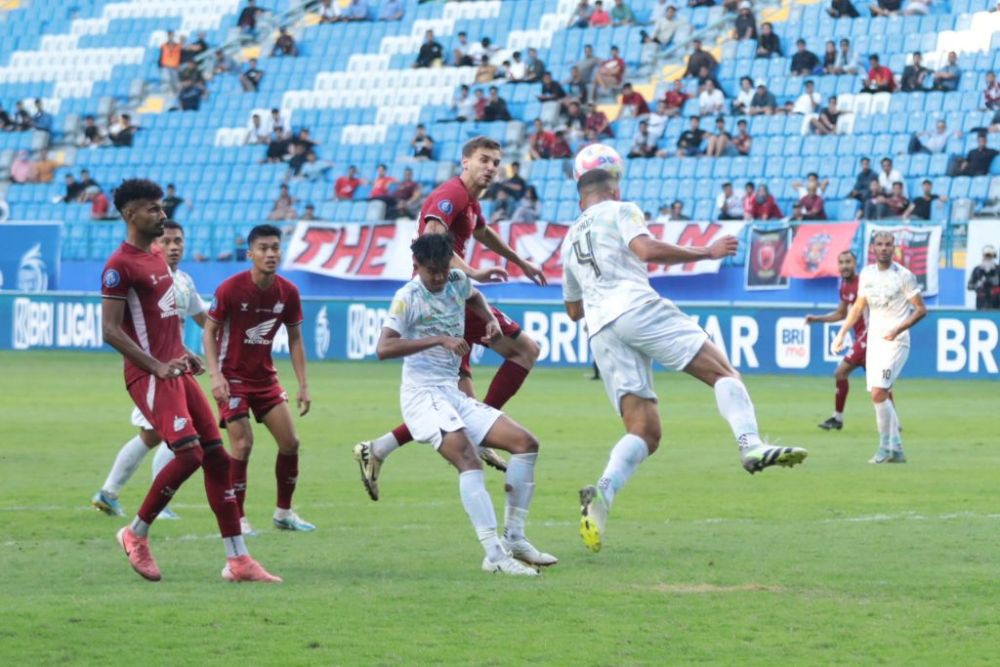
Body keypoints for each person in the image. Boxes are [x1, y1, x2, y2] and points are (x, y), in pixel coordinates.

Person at [562, 169, 807, 553]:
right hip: (635, 306)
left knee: (645, 431)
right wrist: (706, 252)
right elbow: (645, 250)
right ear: (614, 190)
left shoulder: (570, 236)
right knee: (724, 371)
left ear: (581, 200)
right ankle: (750, 445)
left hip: (600, 330)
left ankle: (602, 496)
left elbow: (573, 309)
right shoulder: (621, 209)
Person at [100, 179, 280, 583]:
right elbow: (110, 331)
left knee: (218, 458)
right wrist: (156, 366)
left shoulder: (158, 260)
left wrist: (181, 354)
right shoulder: (119, 266)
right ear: (130, 214)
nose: (161, 215)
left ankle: (238, 560)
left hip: (174, 371)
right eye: (152, 209)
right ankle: (135, 533)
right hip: (149, 376)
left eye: (162, 208)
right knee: (188, 454)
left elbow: (160, 322)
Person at [353, 137, 548, 501]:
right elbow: (433, 239)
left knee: (451, 399)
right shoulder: (452, 194)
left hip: (449, 295)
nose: (491, 167)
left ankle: (377, 449)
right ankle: (485, 430)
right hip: (444, 297)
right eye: (484, 160)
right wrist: (472, 273)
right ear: (465, 162)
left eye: (496, 162)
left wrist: (520, 262)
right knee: (526, 351)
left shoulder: (471, 202)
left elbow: (482, 231)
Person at [375, 233, 555, 575]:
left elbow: (474, 296)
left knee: (526, 444)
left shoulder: (456, 279)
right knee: (468, 459)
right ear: (417, 267)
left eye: (443, 269)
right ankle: (495, 556)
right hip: (421, 394)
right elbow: (383, 348)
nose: (440, 277)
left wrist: (488, 319)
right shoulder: (407, 297)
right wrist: (439, 339)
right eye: (432, 272)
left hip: (450, 393)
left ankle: (515, 538)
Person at [200, 225, 314, 535]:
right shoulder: (230, 289)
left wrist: (303, 383)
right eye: (263, 248)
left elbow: (295, 338)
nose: (271, 253)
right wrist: (215, 375)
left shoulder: (288, 292)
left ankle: (284, 513)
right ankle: (237, 518)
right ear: (250, 254)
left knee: (290, 443)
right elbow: (209, 332)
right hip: (232, 379)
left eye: (275, 247)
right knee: (243, 444)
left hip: (265, 379)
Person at [91, 221, 206, 519]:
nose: (173, 247)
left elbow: (201, 319)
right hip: (152, 371)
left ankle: (108, 492)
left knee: (153, 434)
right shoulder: (142, 274)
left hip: (175, 364)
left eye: (178, 240)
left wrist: (197, 348)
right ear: (154, 245)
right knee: (176, 433)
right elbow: (118, 327)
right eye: (166, 241)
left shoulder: (183, 281)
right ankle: (159, 501)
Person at [833, 231, 926, 463]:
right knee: (878, 394)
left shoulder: (904, 276)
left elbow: (921, 309)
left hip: (896, 342)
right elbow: (857, 307)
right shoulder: (867, 274)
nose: (884, 248)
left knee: (878, 392)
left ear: (894, 248)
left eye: (888, 245)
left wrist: (898, 329)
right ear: (873, 248)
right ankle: (897, 449)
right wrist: (842, 334)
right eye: (880, 244)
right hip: (874, 342)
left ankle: (884, 448)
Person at [805, 251, 878, 431]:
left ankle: (838, 418)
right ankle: (892, 422)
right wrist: (817, 319)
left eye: (848, 262)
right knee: (878, 383)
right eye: (841, 262)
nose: (845, 266)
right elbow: (841, 313)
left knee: (841, 373)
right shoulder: (844, 286)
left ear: (855, 264)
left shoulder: (864, 284)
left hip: (869, 338)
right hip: (862, 338)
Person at [967, 245, 1000, 310]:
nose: (987, 259)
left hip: (996, 304)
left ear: (993, 257)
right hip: (981, 304)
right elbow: (969, 286)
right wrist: (977, 285)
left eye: (990, 257)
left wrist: (994, 283)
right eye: (986, 256)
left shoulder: (998, 270)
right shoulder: (977, 270)